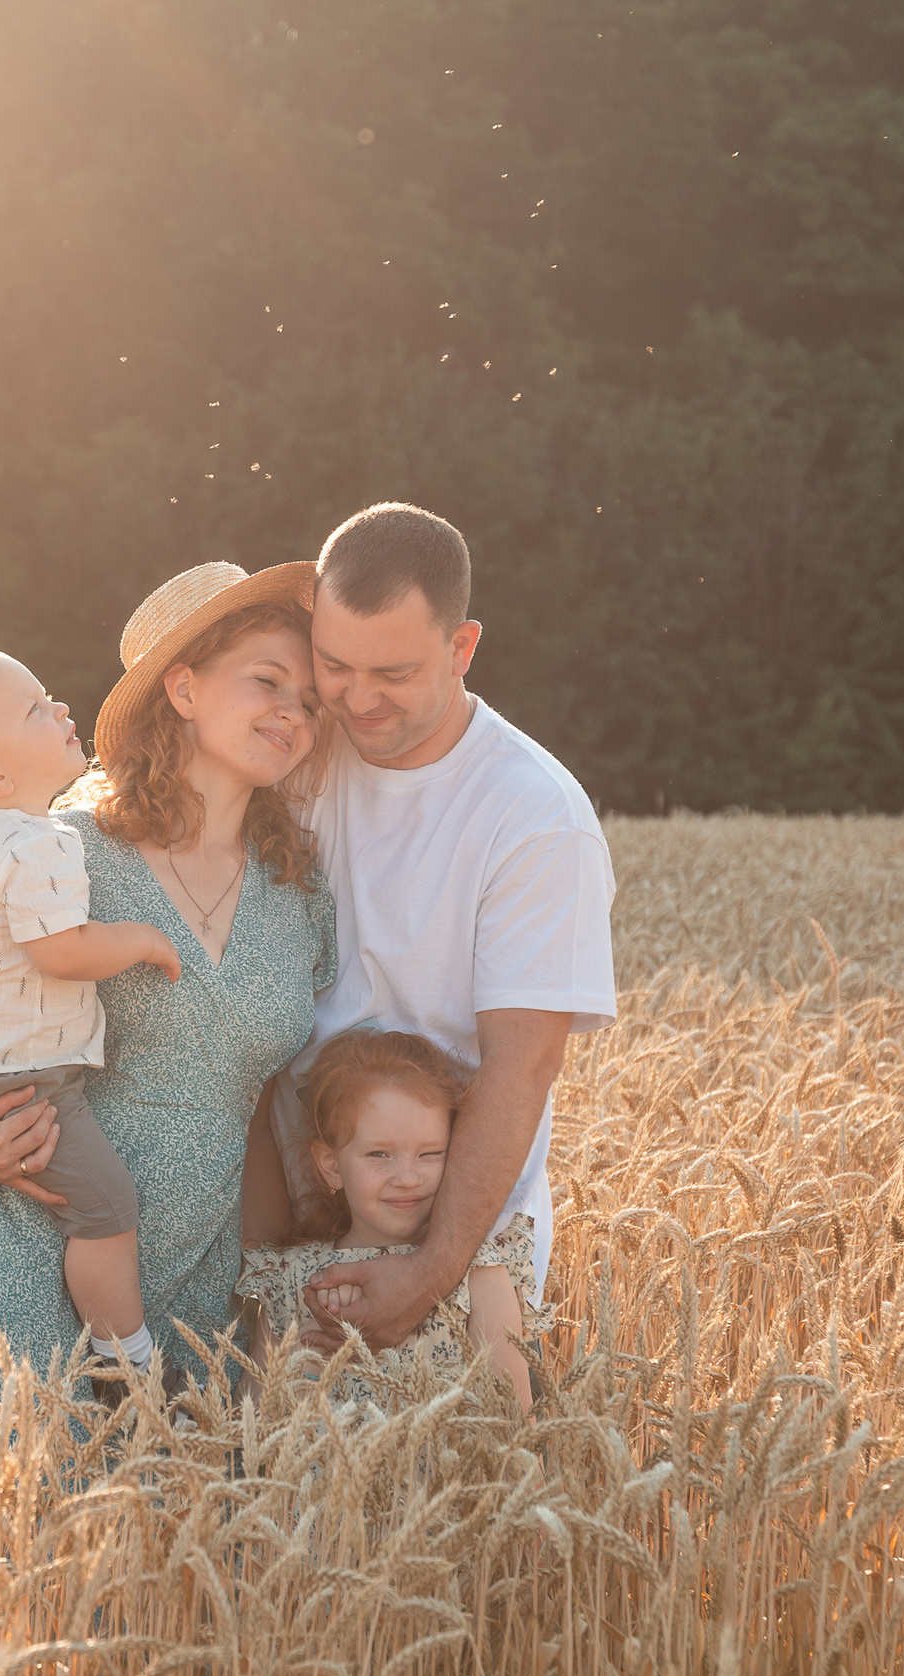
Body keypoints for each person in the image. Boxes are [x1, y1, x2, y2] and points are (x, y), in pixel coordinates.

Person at [0, 562, 336, 1415]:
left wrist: (265, 1292)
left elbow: (255, 1112)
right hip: (21, 1276)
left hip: (192, 1306)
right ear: (183, 689)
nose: (293, 710)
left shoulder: (299, 896)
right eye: (267, 681)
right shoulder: (61, 849)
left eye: (309, 701)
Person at [251, 502, 617, 1374]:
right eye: (333, 665)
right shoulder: (293, 752)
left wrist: (428, 1270)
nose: (356, 698)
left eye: (393, 672)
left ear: (462, 650)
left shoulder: (533, 818)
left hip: (453, 1239)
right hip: (283, 1222)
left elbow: (519, 1065)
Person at [0, 649, 182, 1374]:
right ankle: (125, 1359)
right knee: (104, 1207)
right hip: (24, 1076)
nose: (61, 710)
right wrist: (138, 938)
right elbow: (65, 953)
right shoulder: (36, 842)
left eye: (48, 695)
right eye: (35, 709)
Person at [237, 1028, 552, 1411]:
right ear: (332, 1166)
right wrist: (306, 1366)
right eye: (379, 1155)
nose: (407, 1178)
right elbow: (248, 1429)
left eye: (431, 1153)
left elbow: (516, 1429)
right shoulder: (288, 1280)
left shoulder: (479, 1275)